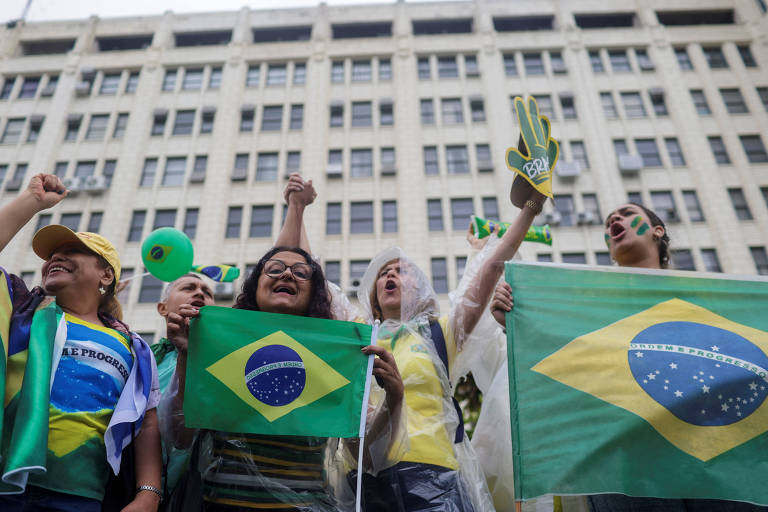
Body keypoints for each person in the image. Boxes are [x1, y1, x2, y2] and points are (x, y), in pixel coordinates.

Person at [491, 202, 768, 512]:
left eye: (626, 213)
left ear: (657, 231)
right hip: (630, 472)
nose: (614, 219)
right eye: (609, 222)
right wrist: (518, 322)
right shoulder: (590, 307)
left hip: (721, 469)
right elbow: (560, 361)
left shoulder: (712, 298)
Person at [159, 178, 404, 511]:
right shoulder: (220, 344)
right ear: (254, 286)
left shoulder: (337, 355)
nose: (287, 274)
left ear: (315, 293)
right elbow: (180, 438)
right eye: (274, 269)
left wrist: (394, 397)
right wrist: (189, 356)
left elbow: (365, 459)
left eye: (301, 272)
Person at [0, 173, 161, 511]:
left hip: (82, 496)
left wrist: (148, 495)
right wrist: (32, 201)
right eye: (51, 255)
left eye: (72, 250)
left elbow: (147, 422)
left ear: (106, 275)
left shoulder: (133, 346)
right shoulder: (20, 310)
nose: (54, 258)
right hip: (7, 485)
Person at [151, 273, 216, 497]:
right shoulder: (143, 358)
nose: (199, 293)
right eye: (188, 288)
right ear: (163, 308)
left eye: (207, 293)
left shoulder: (223, 361)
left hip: (195, 493)